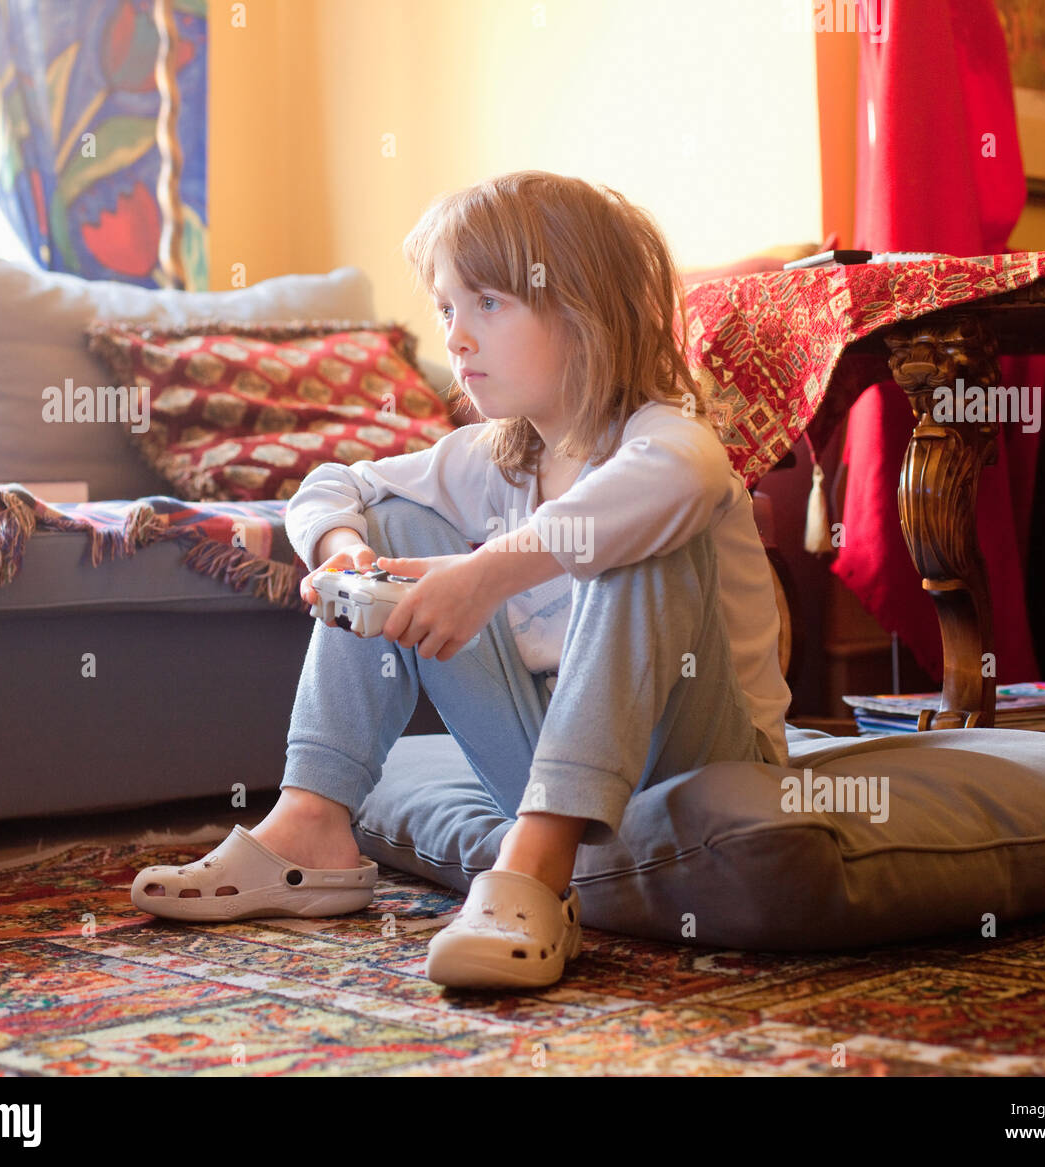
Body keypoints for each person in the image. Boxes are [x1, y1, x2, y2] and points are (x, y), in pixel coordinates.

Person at [131, 170, 791, 990]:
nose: (456, 338)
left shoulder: (664, 439)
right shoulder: (495, 454)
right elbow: (334, 484)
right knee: (391, 526)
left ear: (583, 310)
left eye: (487, 303)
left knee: (642, 538)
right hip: (555, 763)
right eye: (447, 309)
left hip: (699, 760)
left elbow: (680, 482)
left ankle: (534, 869)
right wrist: (343, 553)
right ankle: (312, 825)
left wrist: (484, 574)